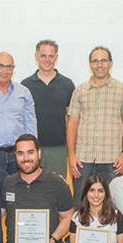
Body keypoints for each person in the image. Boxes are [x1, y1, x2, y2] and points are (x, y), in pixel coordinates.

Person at [67, 46, 123, 200]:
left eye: (103, 61)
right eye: (95, 61)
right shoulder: (79, 91)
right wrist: (71, 155)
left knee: (112, 202)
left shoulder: (122, 90)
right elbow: (72, 124)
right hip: (82, 159)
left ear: (110, 63)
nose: (99, 65)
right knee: (80, 201)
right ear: (90, 64)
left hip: (113, 159)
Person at [21, 39, 75, 178]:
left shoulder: (67, 84)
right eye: (43, 55)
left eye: (51, 56)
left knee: (56, 186)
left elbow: (70, 120)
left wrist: (71, 148)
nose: (47, 59)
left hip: (59, 148)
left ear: (56, 57)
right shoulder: (25, 85)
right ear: (36, 56)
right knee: (32, 186)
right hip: (32, 148)